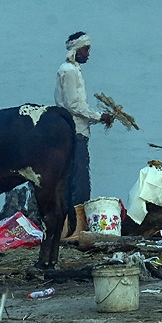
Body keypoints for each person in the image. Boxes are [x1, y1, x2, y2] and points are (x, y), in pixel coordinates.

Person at [55, 31, 113, 210]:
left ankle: (67, 220)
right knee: (79, 180)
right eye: (86, 50)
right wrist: (100, 116)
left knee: (68, 177)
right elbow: (74, 106)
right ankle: (77, 220)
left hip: (69, 130)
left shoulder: (68, 70)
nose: (88, 54)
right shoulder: (70, 71)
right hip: (75, 132)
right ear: (76, 51)